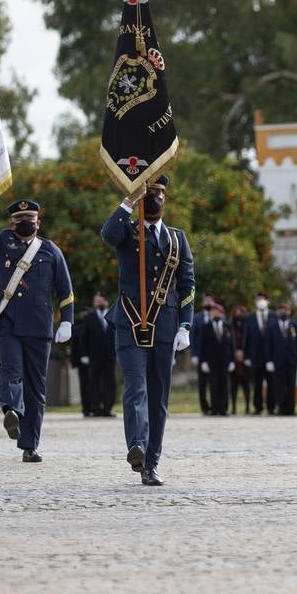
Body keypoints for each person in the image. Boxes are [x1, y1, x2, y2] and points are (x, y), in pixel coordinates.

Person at [0, 199, 75, 461]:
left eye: (30, 219)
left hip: (39, 328)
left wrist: (67, 321)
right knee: (10, 370)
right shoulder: (1, 243)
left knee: (36, 388)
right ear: (11, 224)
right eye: (18, 220)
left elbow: (66, 291)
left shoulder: (50, 251)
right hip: (8, 323)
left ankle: (29, 445)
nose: (25, 223)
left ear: (38, 223)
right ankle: (12, 410)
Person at [101, 175, 195, 485]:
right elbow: (107, 234)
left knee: (158, 396)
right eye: (148, 192)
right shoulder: (127, 232)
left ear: (166, 197)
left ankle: (151, 463)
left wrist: (185, 324)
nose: (153, 196)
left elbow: (187, 286)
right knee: (135, 386)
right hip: (129, 321)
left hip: (166, 325)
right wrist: (128, 200)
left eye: (158, 192)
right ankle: (137, 446)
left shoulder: (177, 240)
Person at [73, 293, 117, 417]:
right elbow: (83, 336)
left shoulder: (113, 315)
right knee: (94, 381)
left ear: (106, 301)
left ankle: (107, 408)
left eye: (100, 301)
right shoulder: (90, 317)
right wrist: (84, 354)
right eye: (96, 301)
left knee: (110, 381)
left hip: (110, 355)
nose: (98, 303)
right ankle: (95, 407)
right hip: (94, 355)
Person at [242, 292, 277, 414]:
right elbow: (247, 337)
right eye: (257, 299)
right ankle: (257, 407)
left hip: (271, 357)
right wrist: (246, 356)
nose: (260, 301)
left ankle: (271, 408)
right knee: (257, 383)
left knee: (271, 383)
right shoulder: (250, 317)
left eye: (262, 299)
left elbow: (276, 338)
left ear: (268, 301)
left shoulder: (274, 316)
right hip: (255, 355)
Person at [200, 303, 235, 416]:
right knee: (213, 385)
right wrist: (203, 361)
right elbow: (203, 345)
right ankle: (214, 408)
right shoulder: (206, 327)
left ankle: (224, 408)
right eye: (213, 312)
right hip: (211, 361)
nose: (214, 313)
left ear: (221, 313)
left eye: (216, 312)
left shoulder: (228, 326)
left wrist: (232, 360)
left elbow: (232, 345)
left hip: (225, 360)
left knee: (225, 385)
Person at [271, 302, 297, 415]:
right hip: (278, 360)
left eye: (286, 310)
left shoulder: (294, 325)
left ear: (289, 312)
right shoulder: (273, 326)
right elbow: (269, 344)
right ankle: (280, 407)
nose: (283, 312)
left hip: (292, 360)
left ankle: (291, 408)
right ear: (277, 312)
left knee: (291, 385)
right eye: (281, 310)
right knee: (279, 385)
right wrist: (269, 360)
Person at [192, 294, 214, 414]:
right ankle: (204, 407)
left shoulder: (217, 316)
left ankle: (215, 405)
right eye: (206, 301)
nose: (208, 303)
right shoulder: (196, 318)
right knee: (202, 383)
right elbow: (193, 337)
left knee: (214, 382)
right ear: (202, 303)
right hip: (201, 355)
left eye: (210, 301)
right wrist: (194, 354)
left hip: (214, 356)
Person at [230, 304, 251, 415]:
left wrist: (244, 354)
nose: (238, 315)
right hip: (234, 360)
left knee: (246, 385)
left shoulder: (248, 327)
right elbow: (229, 343)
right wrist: (235, 353)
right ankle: (233, 407)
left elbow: (250, 342)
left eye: (241, 313)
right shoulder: (230, 326)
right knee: (233, 385)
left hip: (245, 359)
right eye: (236, 313)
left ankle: (248, 407)